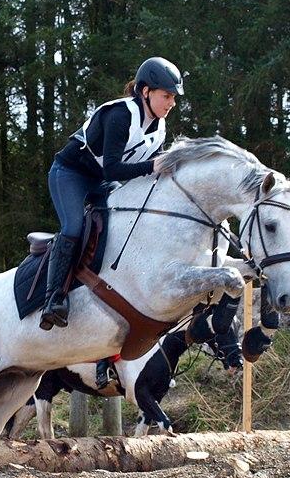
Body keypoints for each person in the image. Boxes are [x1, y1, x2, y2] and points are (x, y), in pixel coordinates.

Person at [40, 56, 184, 331]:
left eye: (173, 98)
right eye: (167, 96)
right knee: (74, 226)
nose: (171, 103)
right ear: (145, 91)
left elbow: (144, 174)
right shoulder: (120, 115)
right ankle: (53, 299)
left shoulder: (159, 128)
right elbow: (114, 169)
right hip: (70, 173)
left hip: (99, 180)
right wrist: (154, 165)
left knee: (127, 221)